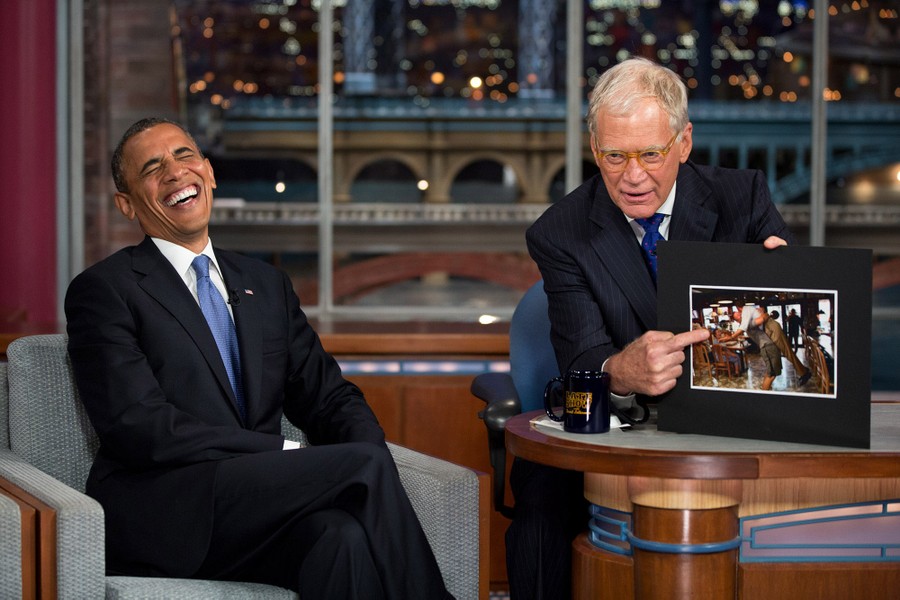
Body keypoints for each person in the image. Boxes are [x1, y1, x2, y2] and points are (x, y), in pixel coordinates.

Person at [64, 117, 453, 599]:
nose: (175, 171)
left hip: (256, 510)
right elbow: (139, 427)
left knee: (341, 537)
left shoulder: (266, 284)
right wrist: (282, 452)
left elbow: (330, 398)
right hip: (169, 511)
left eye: (184, 155)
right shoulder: (105, 290)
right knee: (363, 468)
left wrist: (364, 448)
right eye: (152, 167)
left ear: (209, 172)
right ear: (126, 204)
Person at [513, 56, 794, 600]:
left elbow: (778, 338)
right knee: (541, 504)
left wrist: (787, 289)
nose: (633, 176)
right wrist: (622, 370)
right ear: (595, 148)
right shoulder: (560, 232)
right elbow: (580, 363)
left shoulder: (743, 197)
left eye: (650, 154)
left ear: (683, 143)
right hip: (623, 429)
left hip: (729, 422)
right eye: (614, 156)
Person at [766, 310, 812, 387]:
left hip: (789, 333)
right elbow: (786, 320)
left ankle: (804, 371)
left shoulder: (773, 323)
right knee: (790, 353)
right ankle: (804, 370)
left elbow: (800, 324)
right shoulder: (776, 322)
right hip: (787, 333)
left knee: (789, 353)